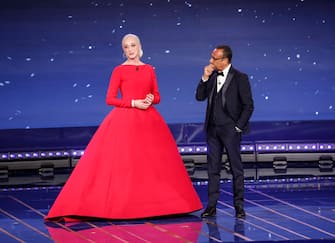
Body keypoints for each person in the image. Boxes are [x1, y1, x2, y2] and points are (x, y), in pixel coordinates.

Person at [45, 33, 202, 222]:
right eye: (126, 47)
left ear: (139, 46)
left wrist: (152, 99)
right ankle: (120, 207)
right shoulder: (118, 70)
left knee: (153, 165)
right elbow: (110, 99)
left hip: (149, 121)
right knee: (125, 164)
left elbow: (157, 95)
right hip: (125, 119)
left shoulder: (149, 69)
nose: (130, 50)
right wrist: (134, 102)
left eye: (132, 45)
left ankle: (160, 205)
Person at [195, 45, 254, 219]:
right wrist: (205, 78)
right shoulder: (212, 76)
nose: (210, 61)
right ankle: (211, 207)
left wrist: (238, 127)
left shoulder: (240, 78)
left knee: (236, 169)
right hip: (213, 130)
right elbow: (199, 97)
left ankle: (239, 206)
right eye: (211, 57)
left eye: (214, 58)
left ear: (225, 60)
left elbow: (248, 105)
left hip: (230, 130)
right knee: (213, 169)